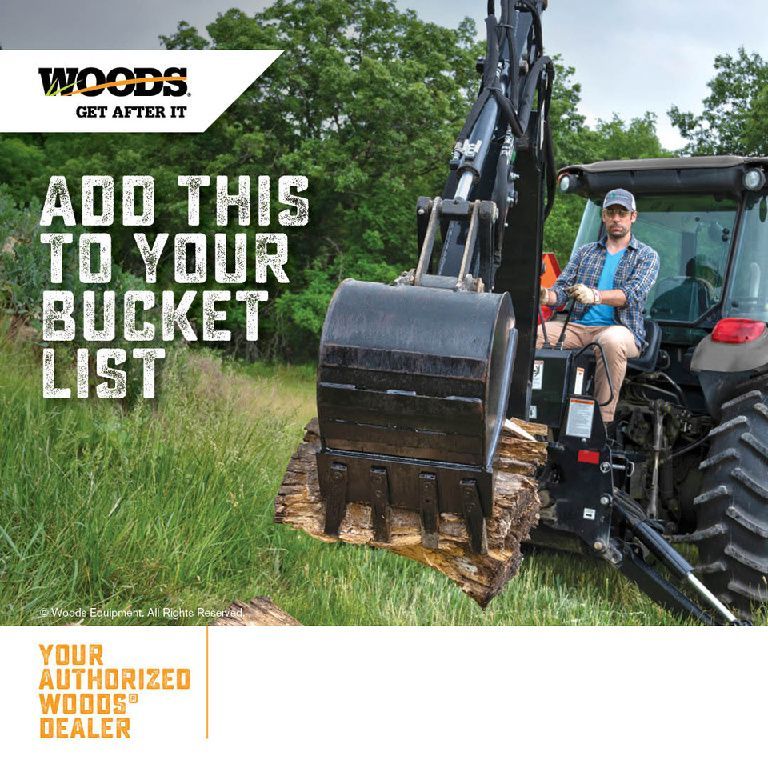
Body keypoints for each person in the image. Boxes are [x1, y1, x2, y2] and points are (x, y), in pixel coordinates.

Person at [538, 188, 659, 432]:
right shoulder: (586, 252)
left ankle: (602, 422)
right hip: (580, 326)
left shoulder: (647, 256)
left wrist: (595, 296)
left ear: (632, 217)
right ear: (603, 216)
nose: (616, 218)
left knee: (610, 340)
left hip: (622, 330)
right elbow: (561, 291)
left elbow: (632, 294)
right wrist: (544, 294)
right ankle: (536, 413)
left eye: (622, 213)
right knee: (534, 334)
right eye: (611, 213)